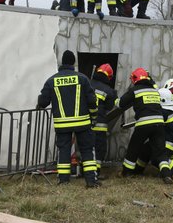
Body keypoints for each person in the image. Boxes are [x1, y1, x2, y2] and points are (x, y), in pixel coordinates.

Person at [37, 50, 99, 187]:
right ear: (73, 63)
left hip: (62, 125)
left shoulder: (51, 80)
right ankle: (91, 181)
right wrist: (93, 116)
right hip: (83, 123)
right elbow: (92, 101)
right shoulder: (82, 79)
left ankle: (63, 181)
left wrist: (39, 102)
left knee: (64, 151)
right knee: (87, 151)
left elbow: (42, 102)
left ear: (62, 63)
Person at [116, 67, 172, 183]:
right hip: (159, 123)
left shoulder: (135, 90)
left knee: (133, 148)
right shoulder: (154, 90)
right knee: (160, 151)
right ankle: (167, 175)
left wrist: (115, 100)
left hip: (144, 123)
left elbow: (121, 103)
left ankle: (126, 173)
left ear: (136, 79)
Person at [89, 63, 118, 177]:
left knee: (87, 147)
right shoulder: (109, 90)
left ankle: (85, 169)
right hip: (100, 124)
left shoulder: (88, 84)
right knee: (99, 147)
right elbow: (110, 108)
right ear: (109, 77)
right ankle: (96, 171)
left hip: (86, 122)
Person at [159, 88, 173, 175]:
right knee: (147, 148)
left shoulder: (164, 112)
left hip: (169, 143)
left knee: (157, 156)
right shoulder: (171, 110)